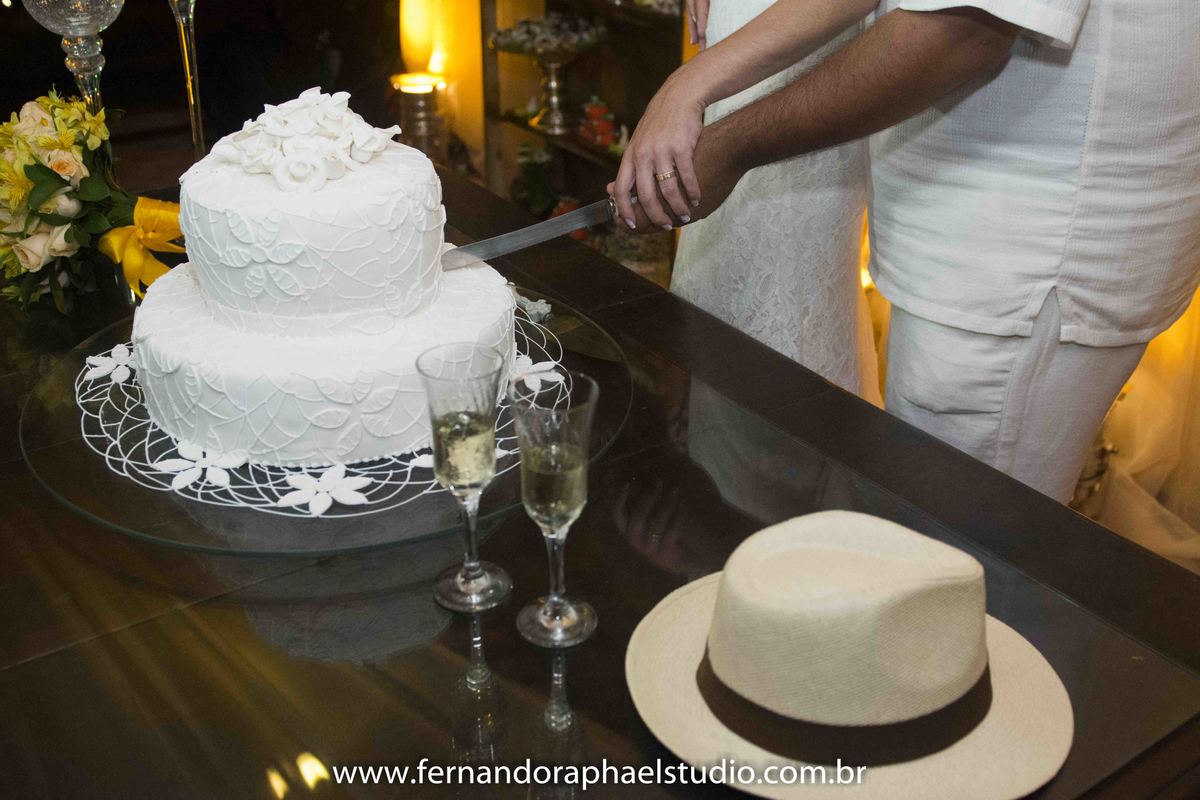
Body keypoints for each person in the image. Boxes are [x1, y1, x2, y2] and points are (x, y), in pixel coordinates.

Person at [612, 0, 1200, 502]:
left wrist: (731, 136)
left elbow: (964, 28)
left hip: (1027, 255)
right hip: (974, 233)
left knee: (962, 561)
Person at [616, 0, 881, 398]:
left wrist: (683, 86)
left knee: (784, 349)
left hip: (804, 98)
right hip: (731, 66)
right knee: (711, 334)